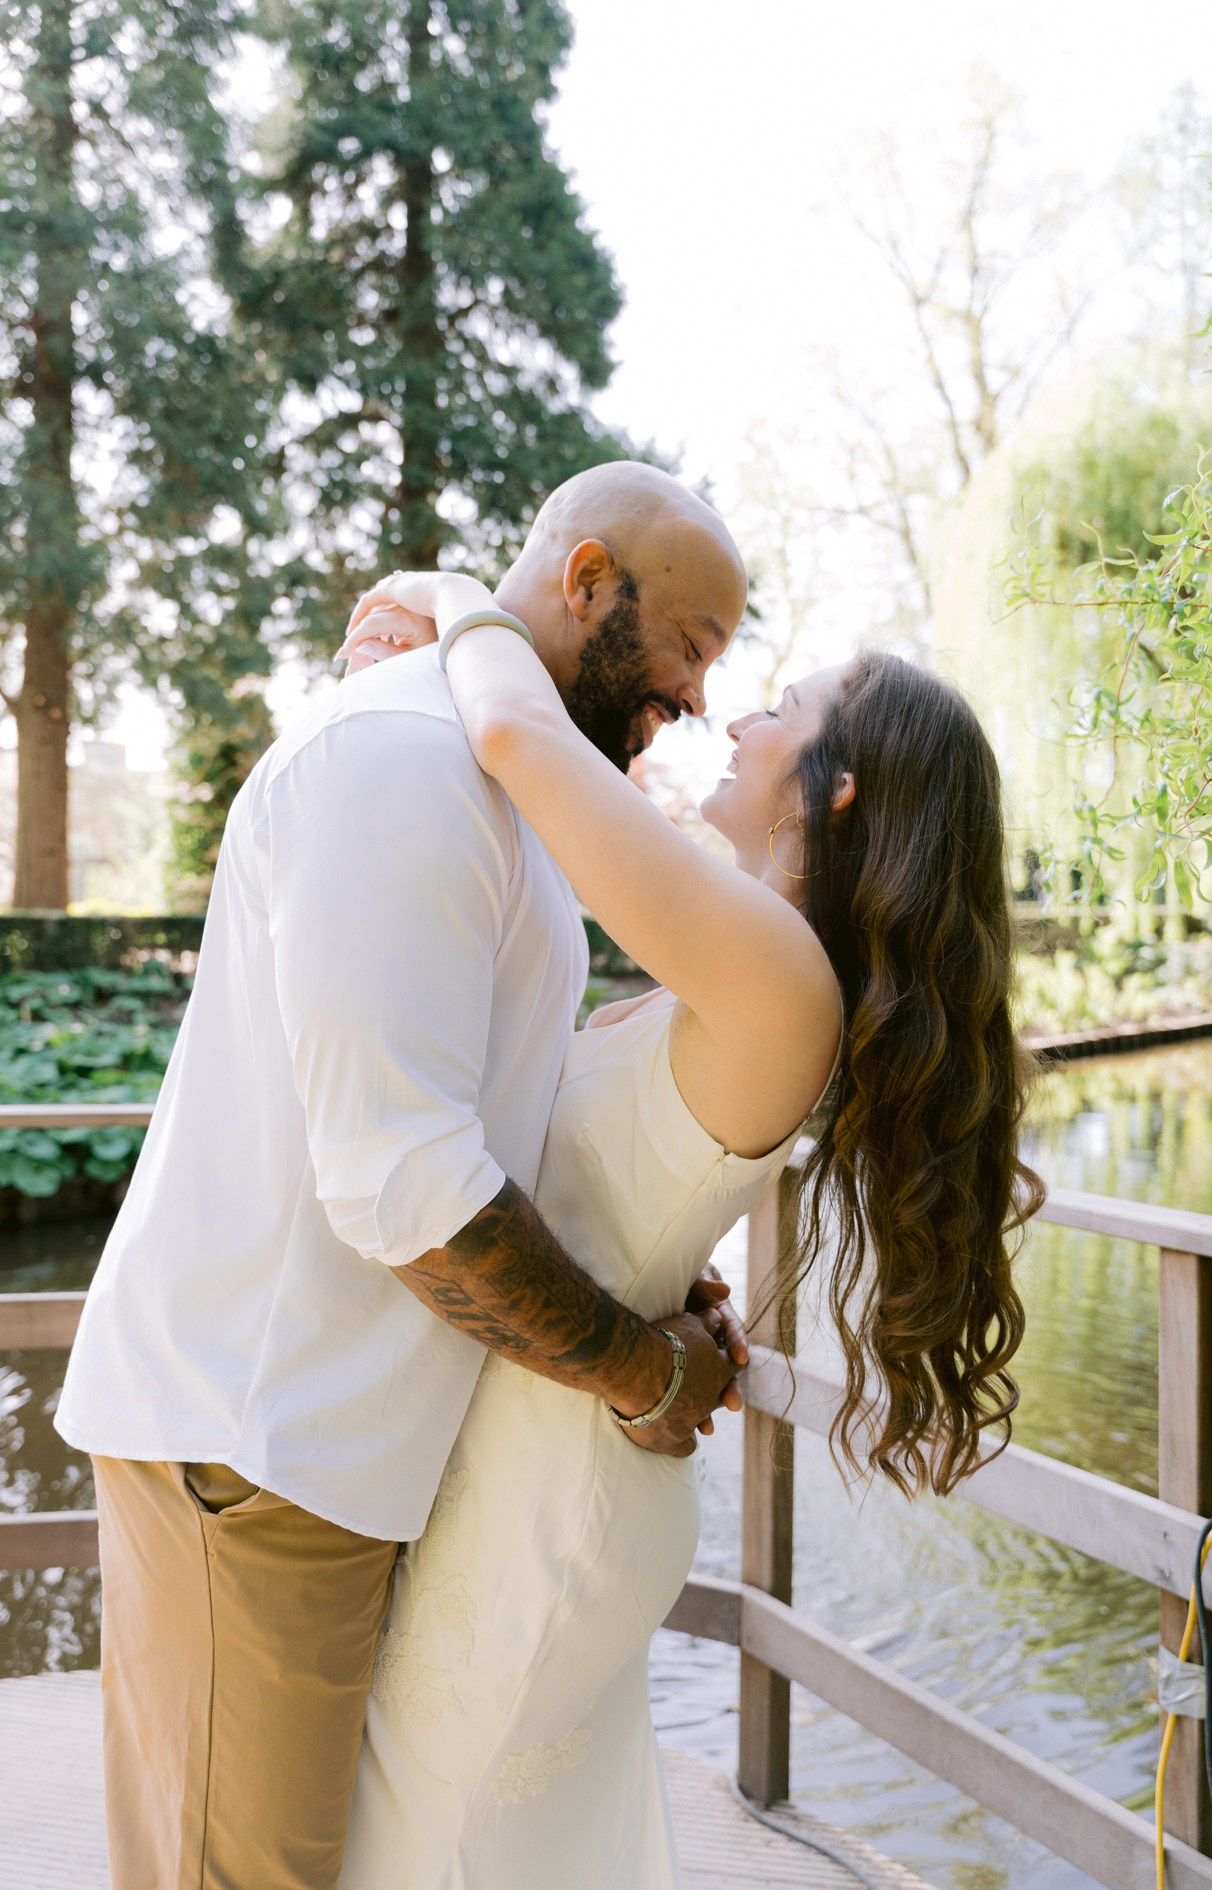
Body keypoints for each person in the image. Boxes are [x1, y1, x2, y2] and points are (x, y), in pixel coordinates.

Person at [53, 462, 750, 1890]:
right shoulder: (400, 763)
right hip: (250, 1452)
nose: (696, 696)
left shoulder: (496, 781)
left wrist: (646, 1262)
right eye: (690, 641)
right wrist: (644, 1370)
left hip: (331, 1455)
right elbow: (408, 1185)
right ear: (586, 581)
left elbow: (479, 1114)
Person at [334, 571, 1045, 1890]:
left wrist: (453, 598)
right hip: (554, 1437)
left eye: (779, 706)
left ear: (834, 784)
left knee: (433, 1842)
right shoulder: (759, 962)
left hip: (553, 1482)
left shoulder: (776, 971)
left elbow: (514, 737)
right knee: (475, 1840)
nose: (736, 724)